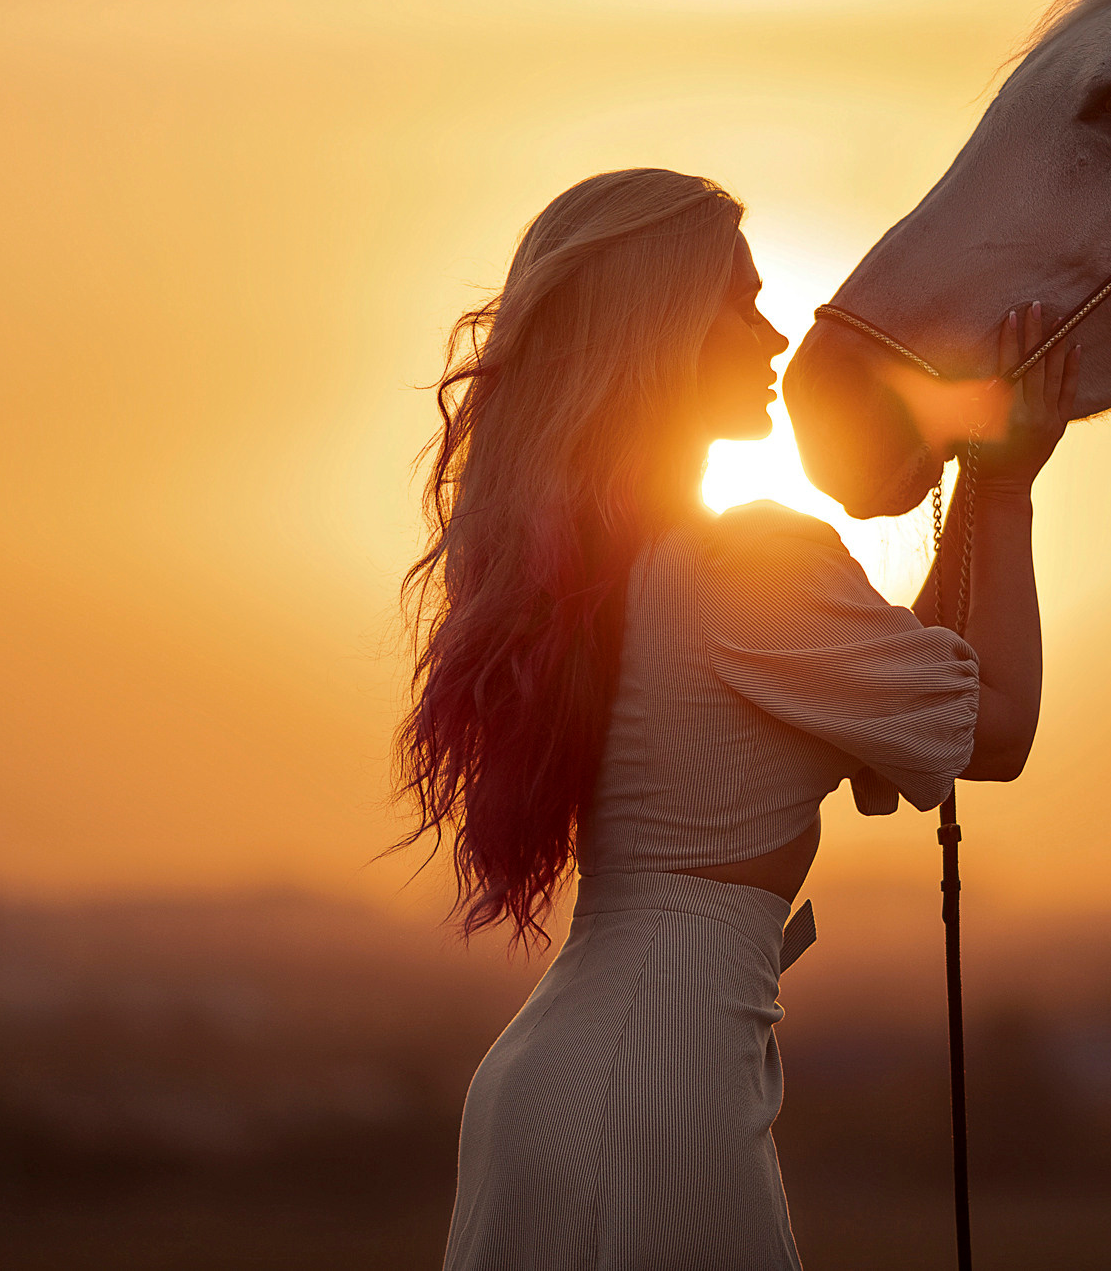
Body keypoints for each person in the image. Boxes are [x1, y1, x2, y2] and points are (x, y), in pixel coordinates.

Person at [398, 168, 1075, 1271]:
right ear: (661, 326)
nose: (773, 337)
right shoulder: (741, 558)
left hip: (592, 1068)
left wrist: (971, 459)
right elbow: (992, 726)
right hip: (648, 1080)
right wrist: (1005, 489)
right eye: (742, 302)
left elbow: (893, 712)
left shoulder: (619, 562)